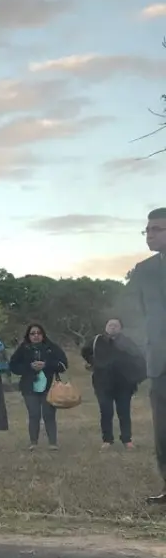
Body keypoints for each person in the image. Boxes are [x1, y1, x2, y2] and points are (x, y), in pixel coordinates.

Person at [124, 207, 166, 502]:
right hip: (160, 362)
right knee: (163, 432)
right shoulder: (144, 270)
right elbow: (141, 313)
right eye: (147, 230)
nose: (149, 235)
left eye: (156, 229)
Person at [82, 318, 146, 451]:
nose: (112, 327)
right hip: (103, 383)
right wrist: (92, 362)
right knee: (106, 412)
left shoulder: (127, 342)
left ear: (120, 328)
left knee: (124, 412)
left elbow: (139, 358)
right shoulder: (97, 340)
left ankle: (127, 440)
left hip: (124, 384)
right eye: (110, 325)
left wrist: (135, 377)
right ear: (105, 327)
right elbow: (85, 351)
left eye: (116, 325)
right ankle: (107, 440)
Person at [9, 324, 69, 451]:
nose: (36, 336)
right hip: (29, 387)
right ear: (28, 335)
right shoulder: (23, 348)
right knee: (34, 414)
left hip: (49, 387)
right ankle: (33, 443)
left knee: (49, 414)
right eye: (32, 333)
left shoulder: (51, 348)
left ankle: (53, 443)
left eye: (38, 333)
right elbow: (13, 366)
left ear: (43, 335)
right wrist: (29, 367)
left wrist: (46, 365)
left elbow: (64, 365)